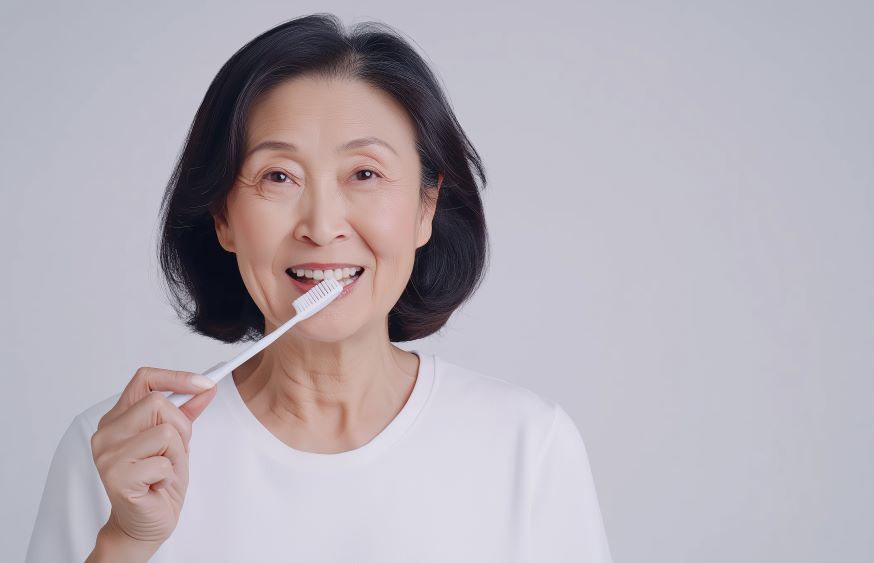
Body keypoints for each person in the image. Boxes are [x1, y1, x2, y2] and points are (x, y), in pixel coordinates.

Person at [26, 13, 613, 563]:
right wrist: (125, 540)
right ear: (223, 218)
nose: (322, 224)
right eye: (278, 177)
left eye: (365, 174)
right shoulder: (122, 451)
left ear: (424, 207)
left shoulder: (528, 446)